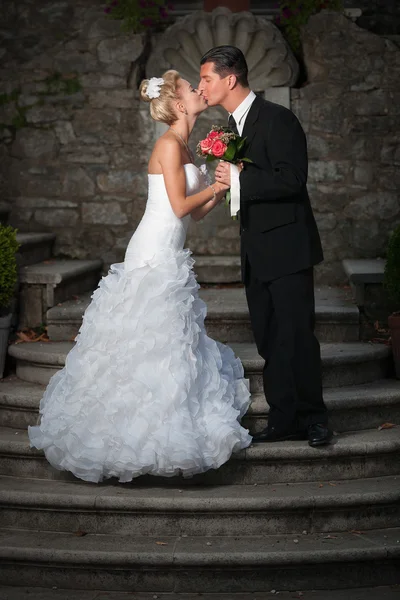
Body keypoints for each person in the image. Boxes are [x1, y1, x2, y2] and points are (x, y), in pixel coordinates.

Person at [28, 70, 252, 483]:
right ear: (181, 104)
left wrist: (220, 185)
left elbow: (198, 213)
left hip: (171, 250)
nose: (200, 90)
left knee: (171, 343)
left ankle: (164, 432)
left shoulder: (184, 145)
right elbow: (182, 206)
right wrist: (216, 182)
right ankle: (127, 438)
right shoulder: (168, 145)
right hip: (152, 253)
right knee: (146, 342)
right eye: (191, 87)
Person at [198, 46, 332, 447]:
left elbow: (293, 179)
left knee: (297, 336)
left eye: (206, 79)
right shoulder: (229, 128)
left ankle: (314, 417)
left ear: (229, 79)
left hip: (288, 249)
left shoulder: (278, 119)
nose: (201, 86)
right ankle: (283, 416)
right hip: (255, 249)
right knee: (269, 338)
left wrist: (239, 177)